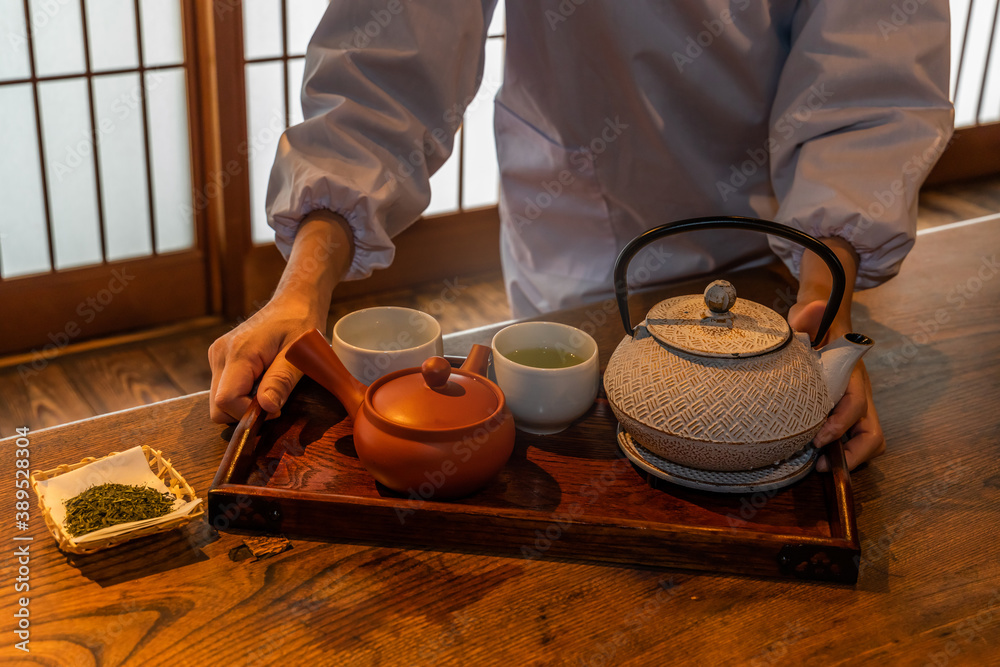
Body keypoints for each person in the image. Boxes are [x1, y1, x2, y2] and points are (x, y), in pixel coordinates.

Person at [209, 1, 954, 474]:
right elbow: (388, 58)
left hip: (785, 248)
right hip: (584, 234)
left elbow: (870, 82)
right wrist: (301, 285)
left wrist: (828, 293)